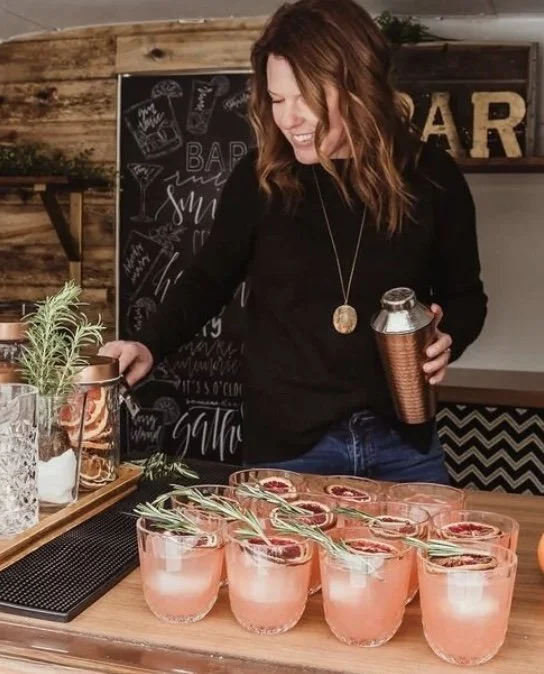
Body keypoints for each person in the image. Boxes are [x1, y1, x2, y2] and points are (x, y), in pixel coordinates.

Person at [101, 0, 487, 483]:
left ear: (358, 85)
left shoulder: (431, 177)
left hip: (404, 443)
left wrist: (451, 340)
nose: (290, 120)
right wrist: (148, 343)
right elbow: (207, 279)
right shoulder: (259, 180)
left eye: (305, 97)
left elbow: (466, 297)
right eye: (277, 100)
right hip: (287, 448)